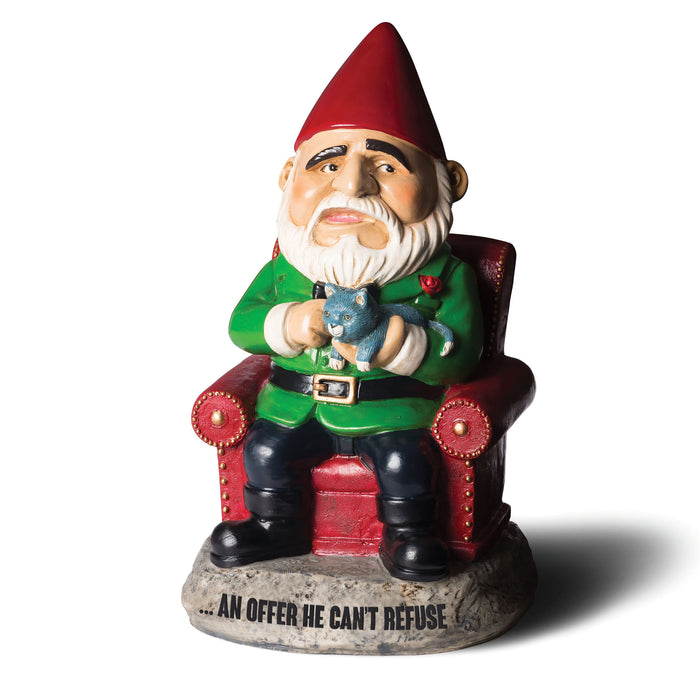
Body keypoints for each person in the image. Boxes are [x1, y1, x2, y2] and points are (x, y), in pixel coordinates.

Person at [210, 23, 483, 581]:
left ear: (447, 183)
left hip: (391, 411)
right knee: (265, 452)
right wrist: (289, 322)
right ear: (289, 177)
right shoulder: (287, 269)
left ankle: (408, 536)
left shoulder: (447, 274)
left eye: (386, 166)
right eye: (329, 165)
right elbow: (242, 325)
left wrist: (399, 343)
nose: (352, 186)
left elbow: (461, 356)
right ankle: (274, 526)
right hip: (295, 406)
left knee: (405, 462)